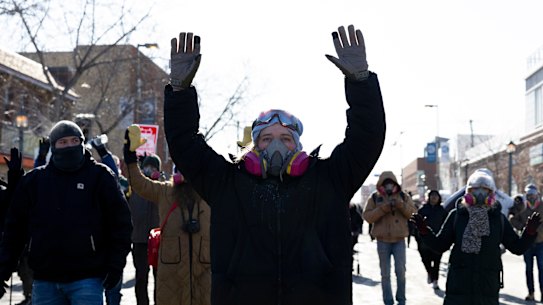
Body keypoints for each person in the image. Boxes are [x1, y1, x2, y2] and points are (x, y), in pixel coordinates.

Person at [164, 24, 385, 305]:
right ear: (255, 146)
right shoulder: (227, 183)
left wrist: (361, 82)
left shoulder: (330, 179)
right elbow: (184, 144)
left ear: (298, 145)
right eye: (267, 139)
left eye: (285, 138)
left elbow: (366, 137)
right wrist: (180, 91)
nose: (277, 145)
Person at [0, 120, 132, 305]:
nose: (69, 146)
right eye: (63, 142)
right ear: (54, 146)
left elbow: (121, 224)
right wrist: (3, 271)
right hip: (45, 279)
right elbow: (15, 229)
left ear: (81, 142)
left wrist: (116, 266)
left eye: (74, 141)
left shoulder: (100, 177)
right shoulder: (35, 181)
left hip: (88, 279)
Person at [411, 170, 541, 305]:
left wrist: (529, 232)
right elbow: (440, 245)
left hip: (487, 286)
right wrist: (425, 231)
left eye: (484, 190)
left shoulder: (498, 219)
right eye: (475, 190)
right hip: (459, 285)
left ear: (491, 194)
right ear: (468, 193)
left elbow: (517, 247)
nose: (479, 193)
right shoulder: (456, 216)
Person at [124, 125, 211, 305]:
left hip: (203, 275)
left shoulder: (211, 191)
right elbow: (140, 185)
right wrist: (131, 159)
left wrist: (248, 155)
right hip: (171, 277)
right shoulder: (165, 191)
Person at [362, 171, 416, 305]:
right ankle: (388, 301)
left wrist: (401, 205)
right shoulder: (374, 197)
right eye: (386, 184)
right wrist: (383, 209)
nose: (388, 187)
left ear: (395, 184)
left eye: (391, 184)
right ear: (381, 185)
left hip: (399, 240)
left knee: (401, 272)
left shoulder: (403, 196)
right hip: (382, 241)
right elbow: (367, 217)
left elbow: (413, 214)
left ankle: (401, 300)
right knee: (385, 274)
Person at [127, 153, 160, 305]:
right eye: (147, 166)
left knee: (160, 278)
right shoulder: (135, 188)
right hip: (139, 240)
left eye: (153, 167)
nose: (149, 170)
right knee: (141, 277)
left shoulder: (163, 188)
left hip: (160, 242)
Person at [509, 184, 543, 301]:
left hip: (540, 243)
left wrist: (538, 230)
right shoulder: (521, 207)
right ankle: (531, 293)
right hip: (526, 244)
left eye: (533, 195)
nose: (531, 198)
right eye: (528, 195)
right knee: (529, 269)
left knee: (542, 269)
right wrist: (524, 228)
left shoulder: (542, 206)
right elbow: (512, 220)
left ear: (537, 195)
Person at [415, 189, 447, 290]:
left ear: (439, 198)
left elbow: (446, 225)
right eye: (432, 196)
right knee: (426, 260)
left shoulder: (442, 211)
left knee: (437, 261)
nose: (434, 198)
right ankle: (429, 272)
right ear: (428, 198)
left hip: (438, 240)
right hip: (424, 241)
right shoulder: (422, 210)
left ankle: (435, 280)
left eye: (436, 196)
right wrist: (417, 236)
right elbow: (416, 224)